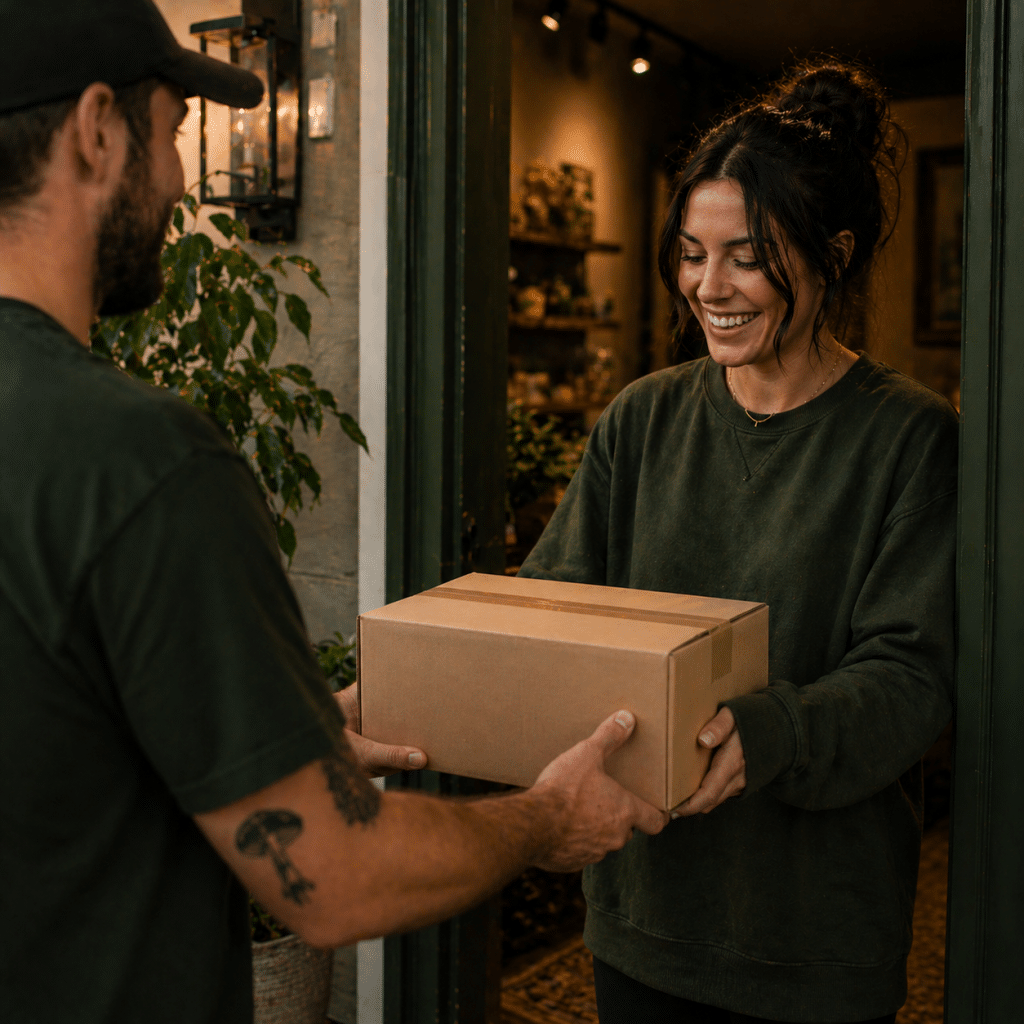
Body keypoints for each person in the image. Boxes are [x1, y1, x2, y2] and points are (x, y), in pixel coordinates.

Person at [0, 3, 666, 1022]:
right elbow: (335, 874)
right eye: (175, 134)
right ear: (96, 131)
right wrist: (545, 818)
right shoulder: (139, 458)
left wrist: (275, 726)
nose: (184, 186)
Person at [519, 60, 957, 1024]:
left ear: (832, 253)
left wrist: (769, 732)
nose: (707, 288)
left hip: (814, 943)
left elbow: (912, 677)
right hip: (642, 917)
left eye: (748, 257)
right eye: (689, 253)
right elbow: (551, 610)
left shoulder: (909, 439)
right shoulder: (641, 420)